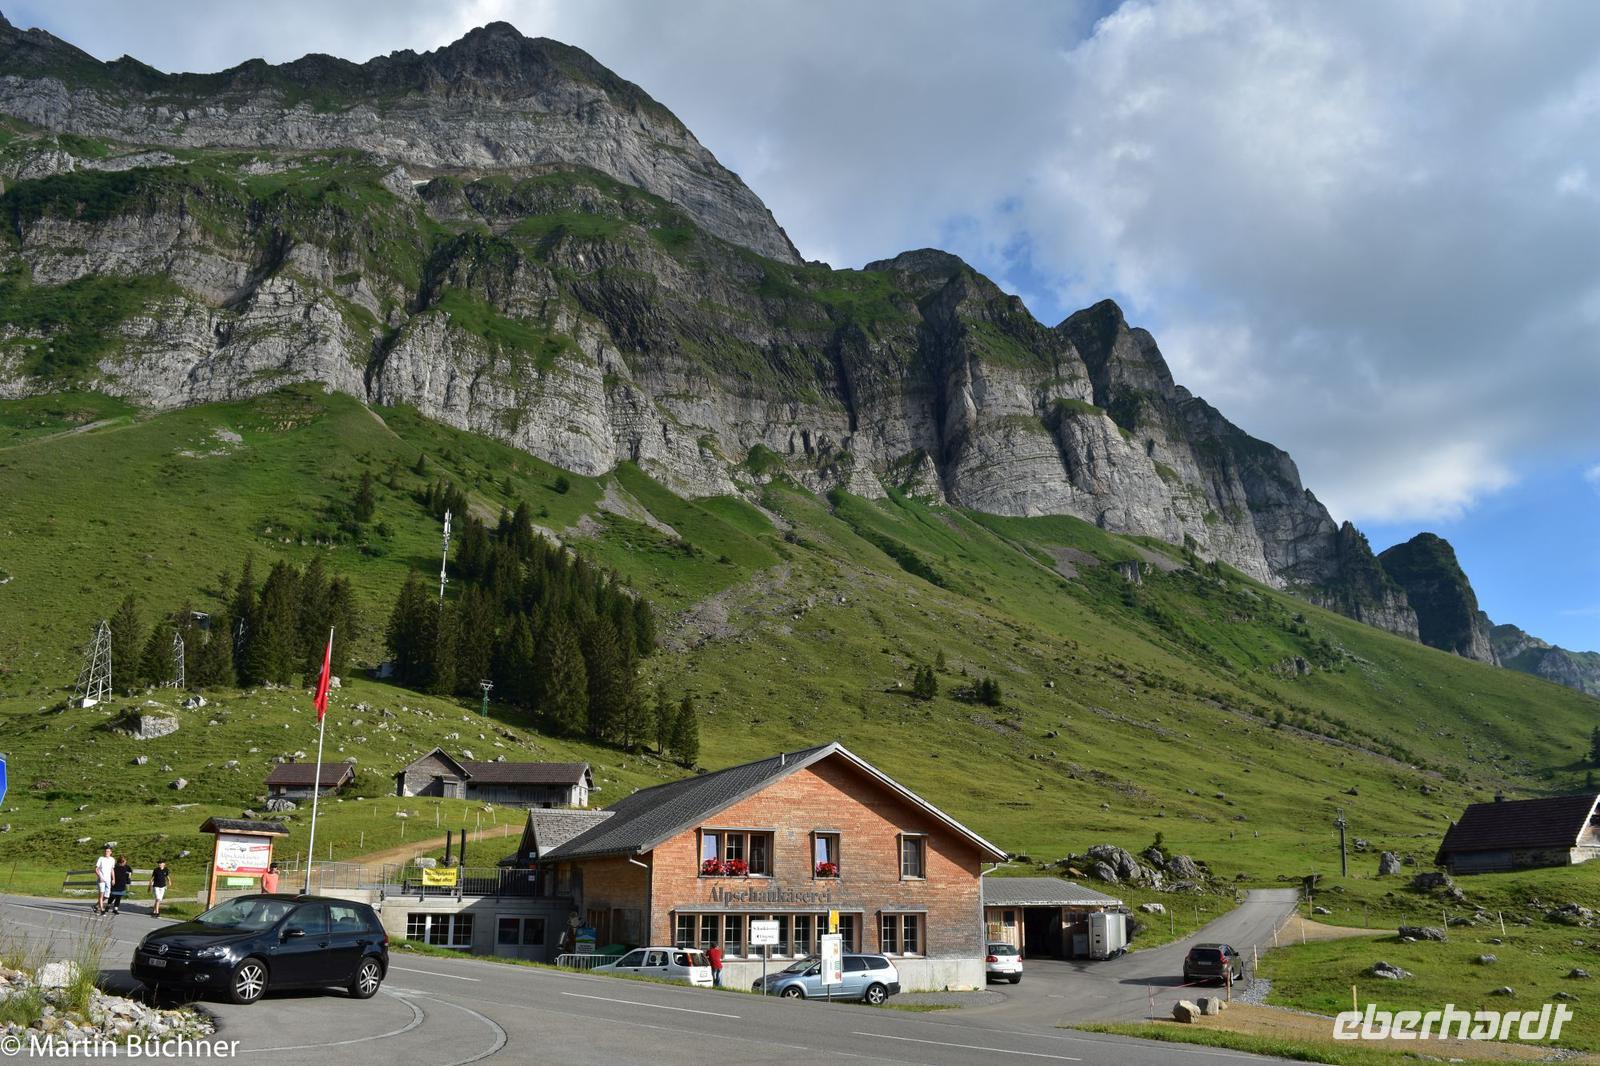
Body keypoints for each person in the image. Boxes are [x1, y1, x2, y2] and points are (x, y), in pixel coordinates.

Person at [93, 845, 115, 916]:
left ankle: (96, 905)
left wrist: (113, 879)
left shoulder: (112, 860)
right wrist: (100, 877)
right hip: (101, 879)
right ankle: (102, 910)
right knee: (101, 895)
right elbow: (96, 869)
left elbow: (112, 870)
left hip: (108, 879)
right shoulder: (101, 858)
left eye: (108, 851)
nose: (106, 852)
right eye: (105, 851)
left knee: (107, 896)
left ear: (111, 852)